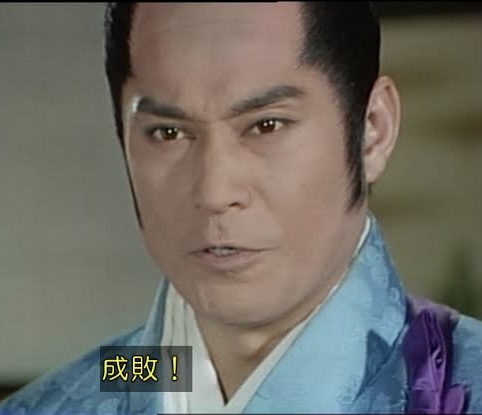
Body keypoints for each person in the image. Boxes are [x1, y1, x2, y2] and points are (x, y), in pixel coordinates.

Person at [1, 2, 481, 414]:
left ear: (372, 129)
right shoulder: (63, 399)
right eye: (168, 133)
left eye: (266, 125)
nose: (214, 192)